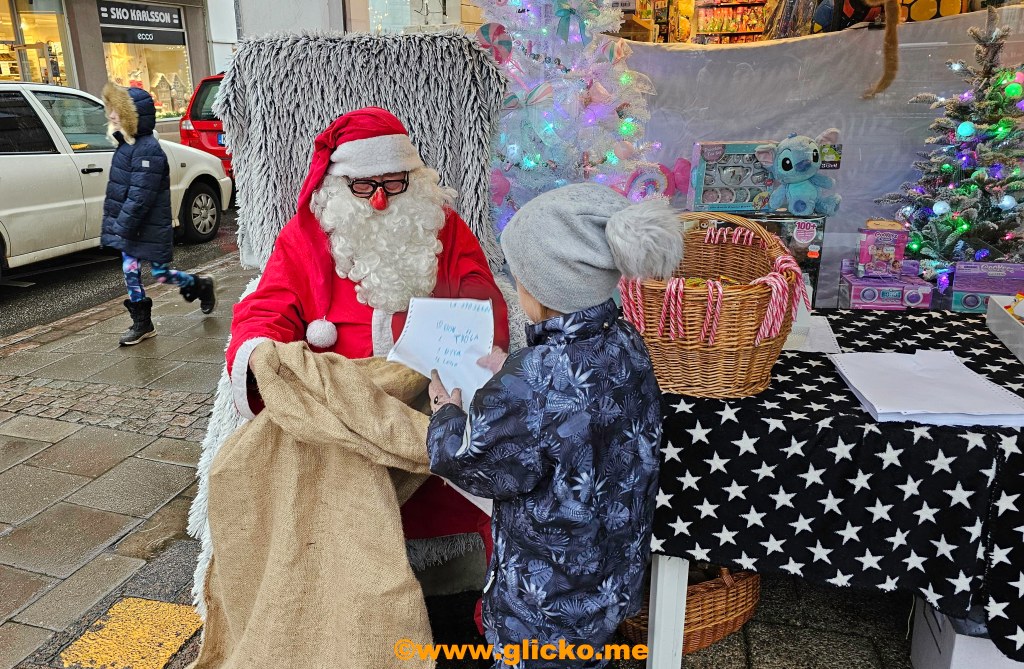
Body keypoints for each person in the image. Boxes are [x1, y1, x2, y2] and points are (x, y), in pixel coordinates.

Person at [225, 106, 510, 632]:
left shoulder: (443, 226)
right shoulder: (307, 235)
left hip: (428, 389)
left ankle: (472, 596)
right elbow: (267, 305)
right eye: (363, 186)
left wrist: (463, 324)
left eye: (393, 183)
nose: (379, 199)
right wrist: (260, 349)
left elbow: (479, 288)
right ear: (340, 184)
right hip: (343, 396)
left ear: (413, 179)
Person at [426, 183, 682, 668]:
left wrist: (445, 413)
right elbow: (575, 415)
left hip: (543, 602)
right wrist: (512, 374)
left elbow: (467, 459)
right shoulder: (626, 339)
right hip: (610, 574)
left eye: (518, 276)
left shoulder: (535, 378)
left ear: (543, 290)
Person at [101, 83, 216, 346]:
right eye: (111, 109)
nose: (111, 115)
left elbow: (141, 194)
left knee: (161, 273)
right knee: (130, 270)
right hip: (131, 224)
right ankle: (143, 323)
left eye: (117, 110)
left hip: (148, 224)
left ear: (132, 116)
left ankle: (201, 286)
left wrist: (122, 224)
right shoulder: (126, 144)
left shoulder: (147, 150)